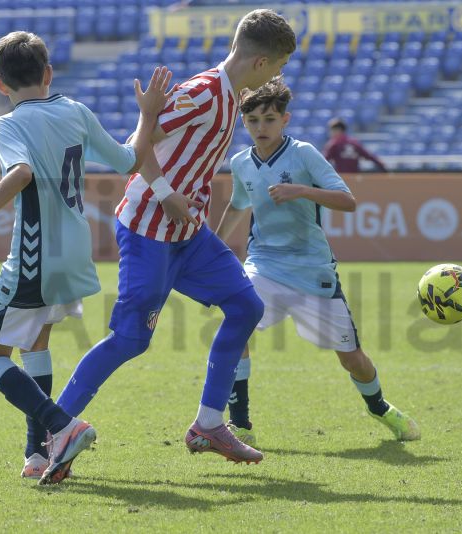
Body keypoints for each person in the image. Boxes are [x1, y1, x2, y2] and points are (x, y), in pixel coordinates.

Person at [0, 31, 174, 484]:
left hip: (34, 258)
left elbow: (21, 172)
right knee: (35, 345)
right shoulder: (76, 111)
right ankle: (38, 454)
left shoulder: (9, 124)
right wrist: (147, 114)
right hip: (74, 252)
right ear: (48, 73)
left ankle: (62, 425)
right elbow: (128, 161)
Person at [55, 9, 296, 465]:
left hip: (188, 232)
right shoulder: (205, 93)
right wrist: (166, 193)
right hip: (150, 228)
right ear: (262, 63)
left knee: (246, 305)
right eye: (280, 66)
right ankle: (55, 430)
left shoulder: (229, 96)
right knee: (131, 340)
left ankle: (208, 425)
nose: (280, 75)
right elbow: (136, 142)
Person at [215, 78, 420, 445]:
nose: (261, 128)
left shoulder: (304, 154)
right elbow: (237, 205)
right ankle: (241, 423)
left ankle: (379, 408)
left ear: (285, 120)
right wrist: (214, 246)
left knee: (351, 358)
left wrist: (301, 191)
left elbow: (348, 201)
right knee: (237, 320)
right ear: (243, 123)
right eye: (253, 121)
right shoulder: (241, 162)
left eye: (269, 119)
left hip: (312, 270)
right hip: (264, 262)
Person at [323, 117, 387, 173]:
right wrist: (382, 166)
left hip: (341, 179)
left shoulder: (334, 143)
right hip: (355, 178)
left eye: (331, 130)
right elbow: (369, 156)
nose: (330, 133)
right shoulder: (354, 142)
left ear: (338, 130)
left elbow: (324, 161)